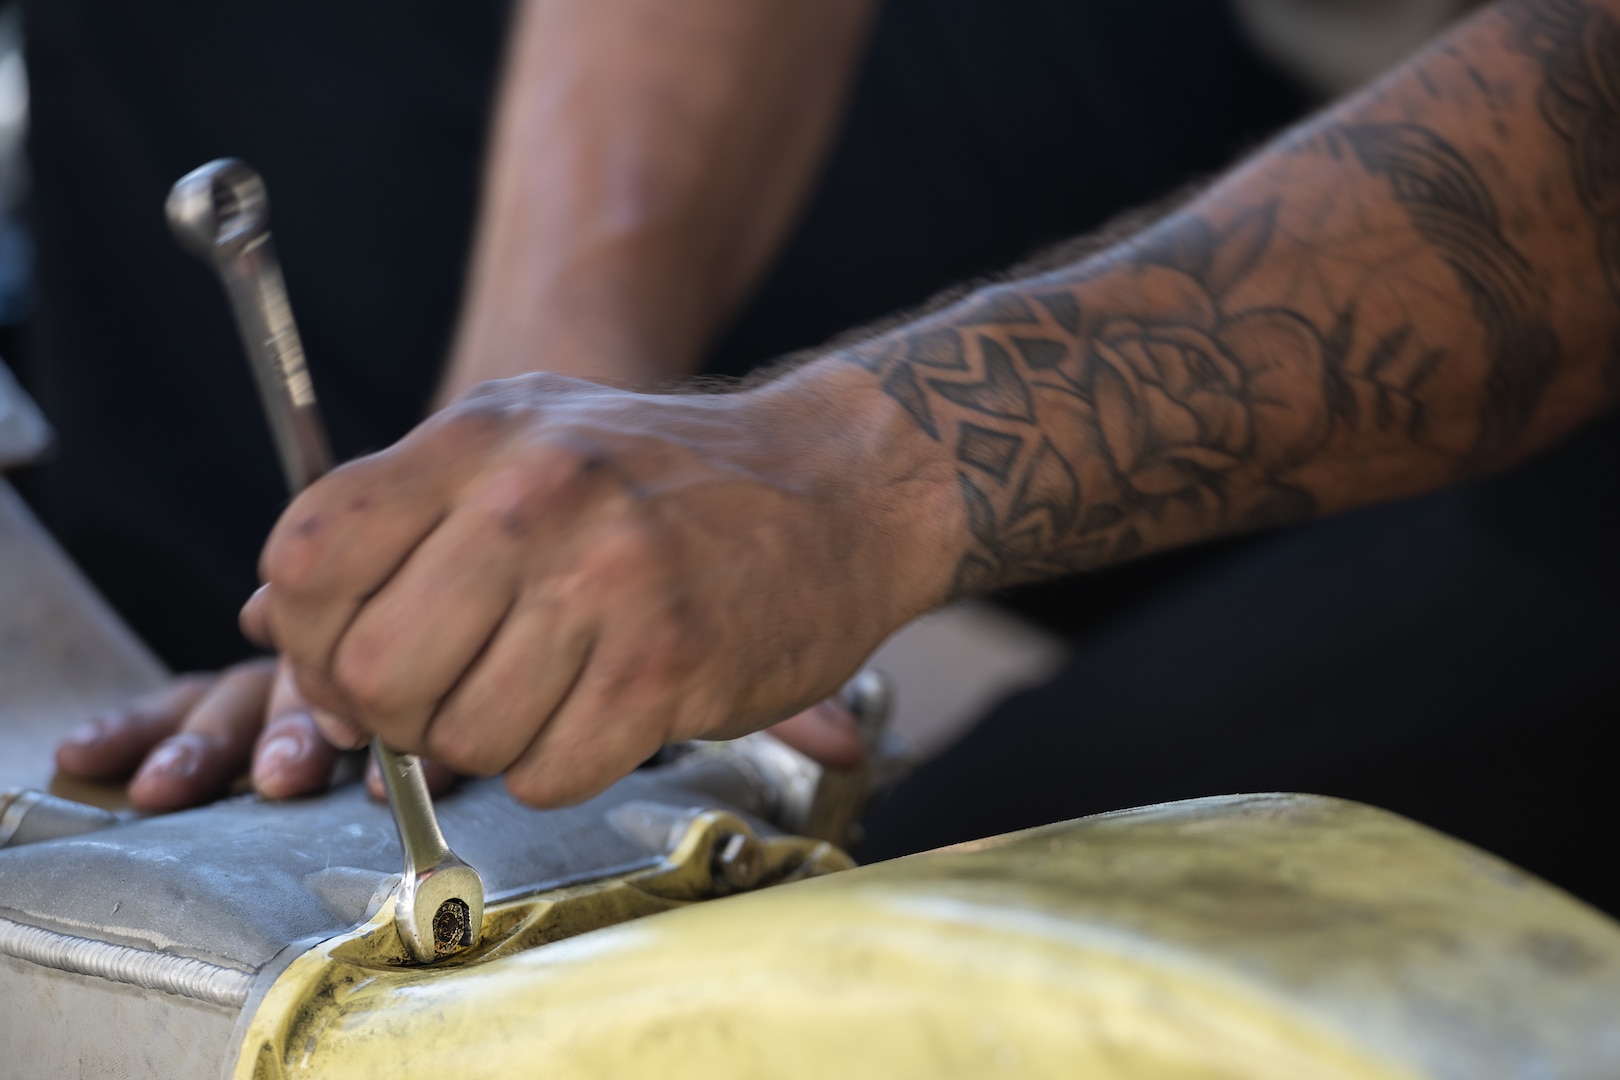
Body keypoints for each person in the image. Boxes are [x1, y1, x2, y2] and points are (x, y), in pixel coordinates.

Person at [40, 1, 1620, 908]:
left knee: (936, 933)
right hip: (1311, 66)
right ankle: (331, 781)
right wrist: (524, 451)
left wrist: (854, 475)